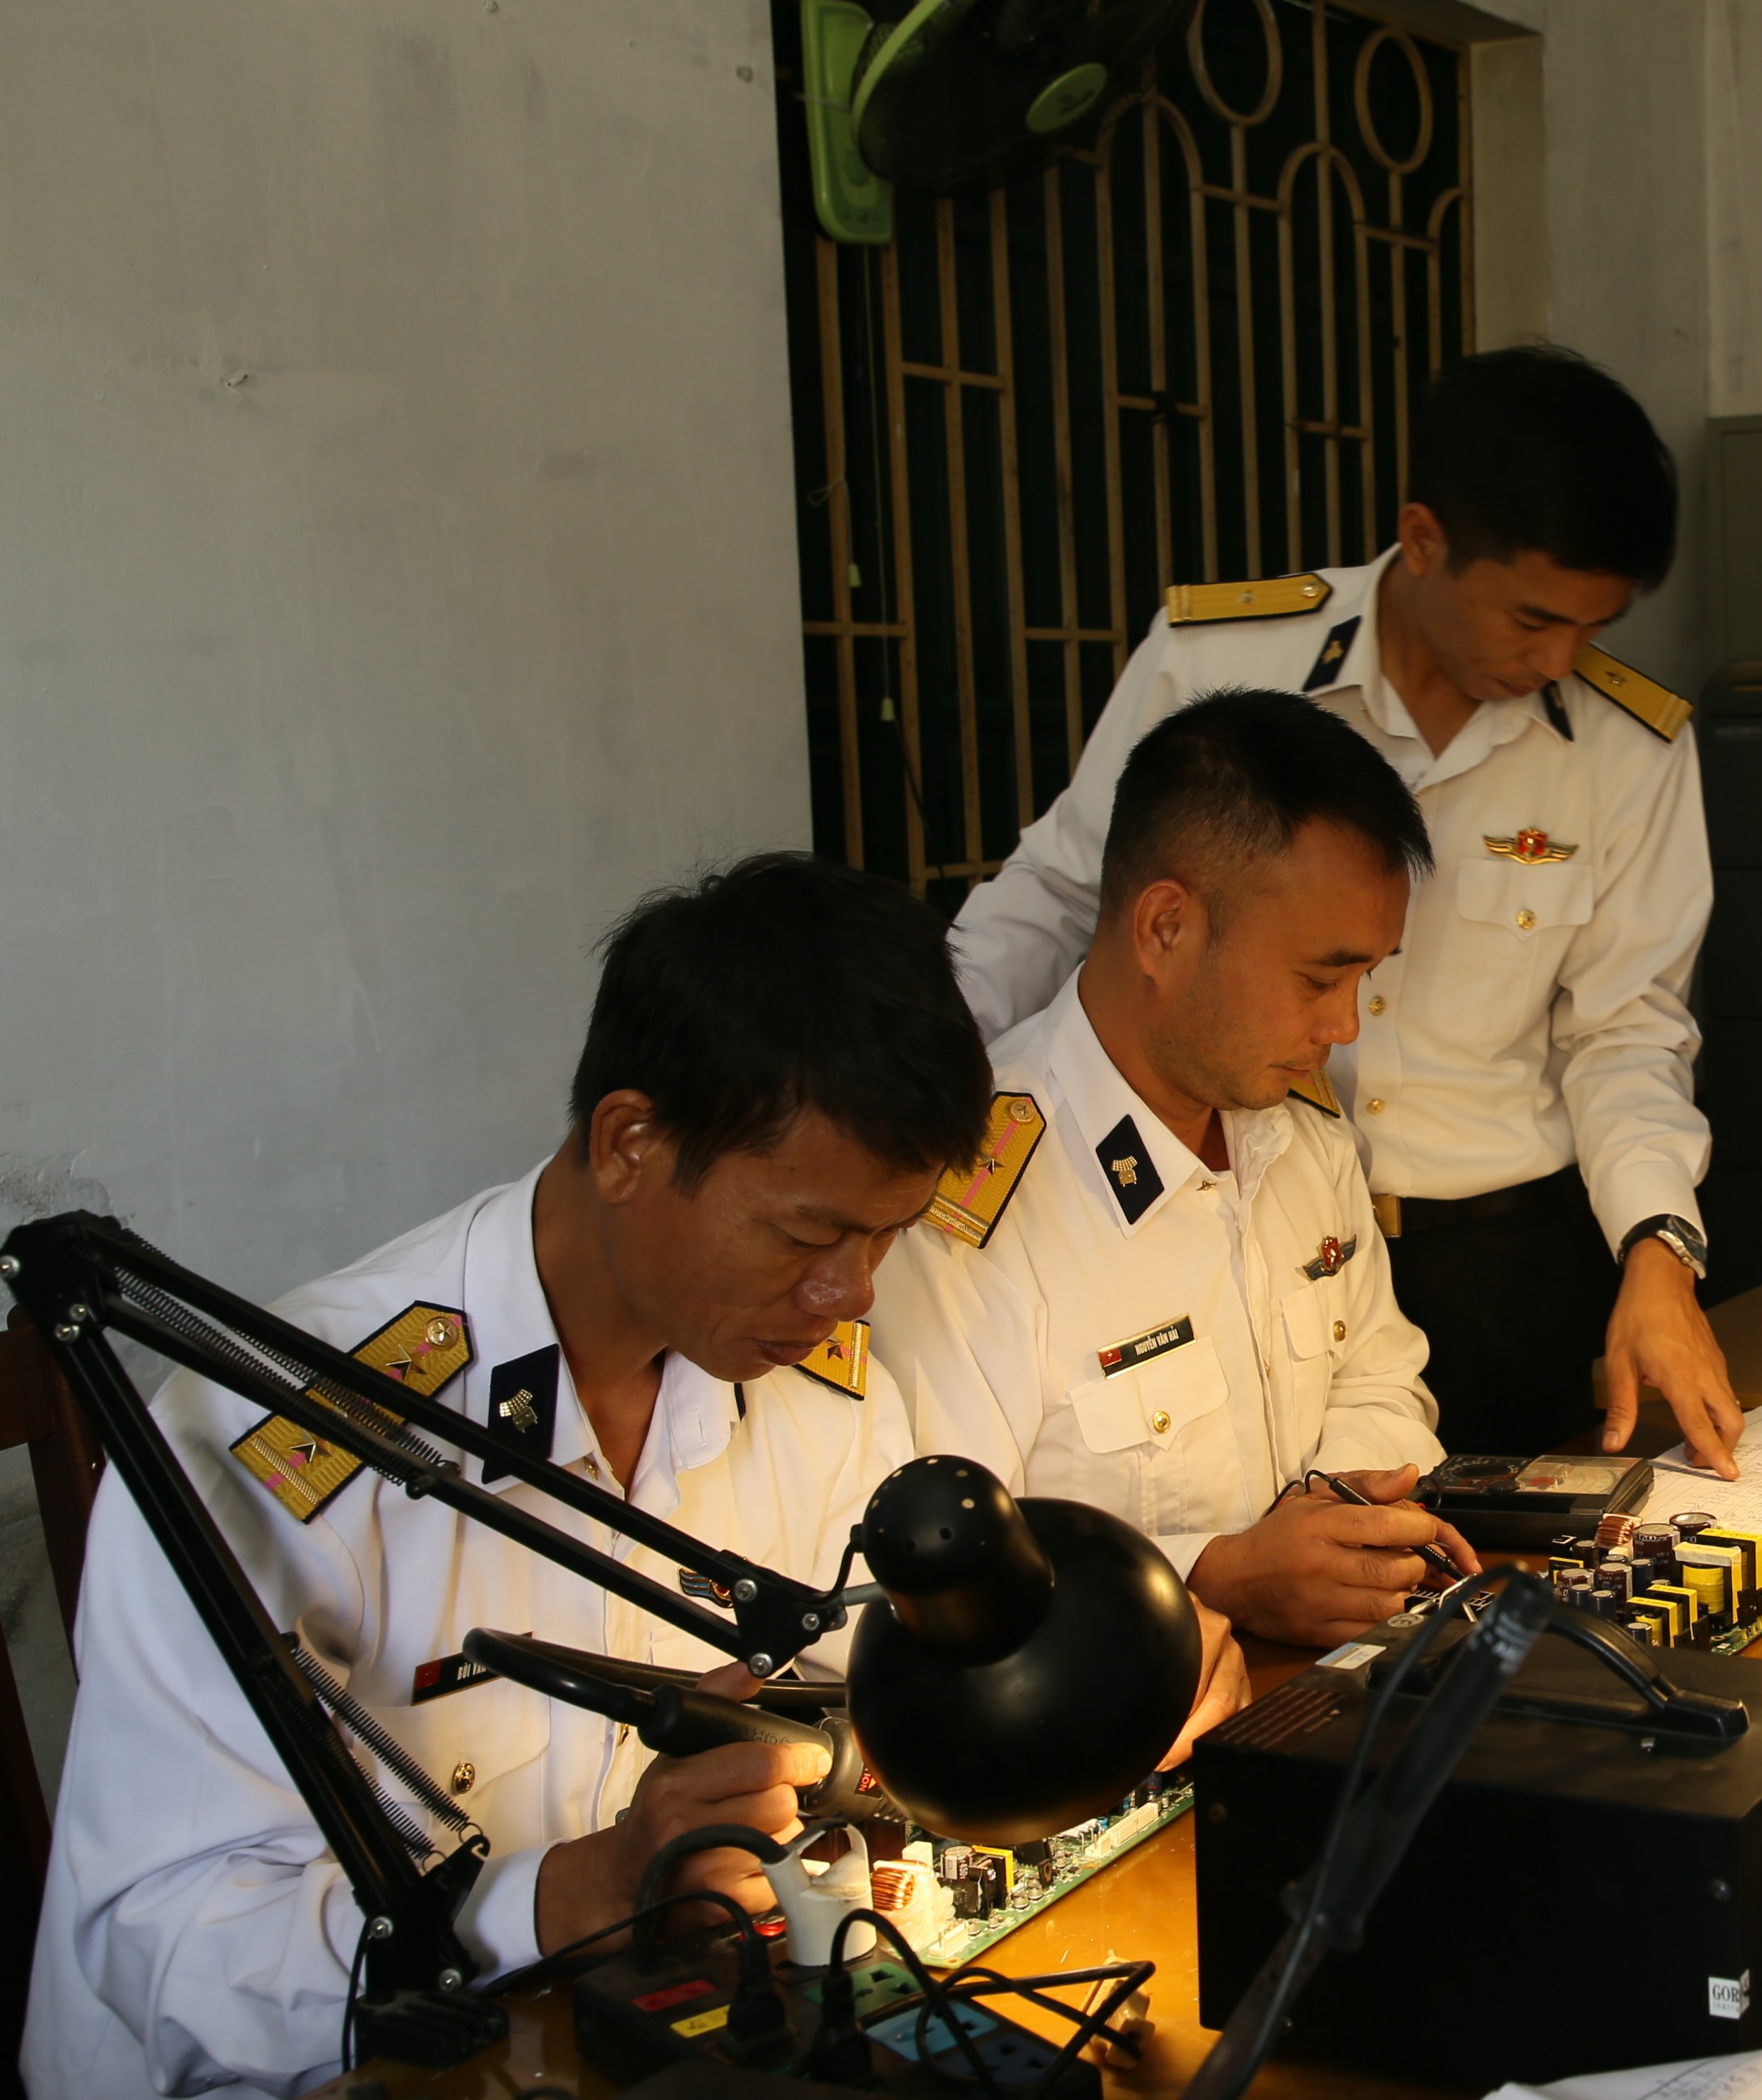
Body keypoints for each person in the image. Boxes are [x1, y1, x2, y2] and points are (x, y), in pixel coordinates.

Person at [23, 855, 1243, 2098]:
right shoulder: (277, 1444)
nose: (850, 1292)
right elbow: (163, 1939)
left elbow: (879, 1678)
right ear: (628, 1144)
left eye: (886, 1235)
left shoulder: (811, 1390)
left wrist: (1088, 1660)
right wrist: (586, 1887)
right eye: (811, 1233)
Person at [942, 345, 1743, 1476]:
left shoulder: (1628, 749)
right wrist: (919, 1078)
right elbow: (1068, 893)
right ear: (1423, 539)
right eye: (1530, 618)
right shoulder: (1222, 661)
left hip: (1506, 1259)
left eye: (1591, 627)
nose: (1558, 657)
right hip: (1236, 1219)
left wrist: (1658, 1250)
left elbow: (1628, 1032)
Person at [875, 691, 1484, 1648]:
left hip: (1336, 1672)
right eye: (1319, 979)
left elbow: (1383, 1380)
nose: (1344, 1026)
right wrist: (1212, 1573)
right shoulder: (969, 1198)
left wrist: (1334, 1525)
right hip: (1120, 1707)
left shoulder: (1299, 1132)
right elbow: (938, 1562)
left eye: (1366, 978)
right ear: (1165, 928)